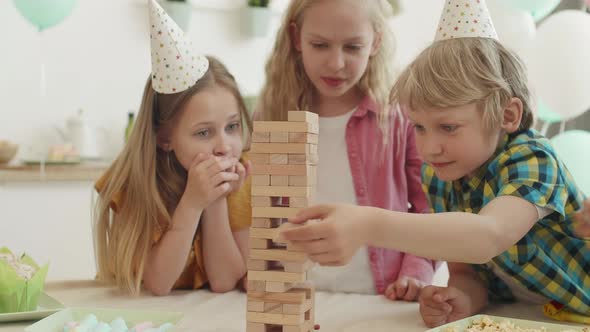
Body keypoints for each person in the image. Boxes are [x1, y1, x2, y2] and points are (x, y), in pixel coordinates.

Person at [279, 0, 590, 326]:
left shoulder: (533, 159)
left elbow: (488, 236)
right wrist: (460, 297)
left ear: (507, 115)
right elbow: (466, 271)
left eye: (448, 127)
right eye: (419, 127)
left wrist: (367, 224)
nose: (429, 148)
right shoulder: (441, 176)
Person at [256, 0, 437, 301]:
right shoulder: (272, 114)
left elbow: (429, 207)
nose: (336, 63)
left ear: (376, 41)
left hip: (378, 298)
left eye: (352, 47)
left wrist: (415, 272)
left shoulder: (400, 116)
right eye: (320, 45)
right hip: (292, 295)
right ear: (295, 38)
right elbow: (259, 212)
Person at [93, 0, 252, 296]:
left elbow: (224, 281)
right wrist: (192, 203)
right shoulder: (135, 184)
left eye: (232, 127)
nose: (224, 146)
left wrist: (216, 201)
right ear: (164, 137)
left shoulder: (240, 176)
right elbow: (158, 283)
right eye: (204, 132)